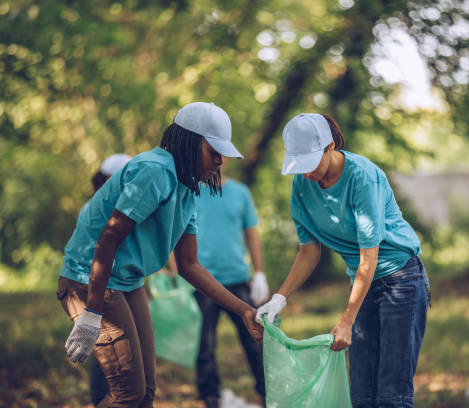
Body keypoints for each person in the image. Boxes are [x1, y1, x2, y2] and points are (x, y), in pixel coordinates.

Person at [56, 102, 263, 407]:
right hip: (88, 279)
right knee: (129, 394)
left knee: (146, 393)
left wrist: (244, 309)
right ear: (191, 142)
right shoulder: (154, 171)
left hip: (128, 282)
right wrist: (92, 314)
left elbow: (190, 266)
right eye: (214, 152)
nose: (220, 162)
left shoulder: (188, 188)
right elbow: (109, 236)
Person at [256, 113, 430, 408]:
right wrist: (278, 298)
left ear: (330, 146)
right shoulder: (301, 186)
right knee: (361, 395)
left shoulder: (362, 177)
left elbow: (368, 256)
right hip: (363, 283)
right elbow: (309, 251)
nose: (306, 172)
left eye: (311, 161)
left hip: (401, 279)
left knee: (391, 394)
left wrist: (346, 320)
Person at [191, 158, 269, 408]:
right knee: (204, 345)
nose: (216, 161)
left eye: (220, 157)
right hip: (202, 283)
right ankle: (210, 397)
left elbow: (252, 233)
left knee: (255, 340)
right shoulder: (191, 192)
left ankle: (268, 392)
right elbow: (177, 234)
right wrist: (176, 274)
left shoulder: (240, 192)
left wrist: (259, 273)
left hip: (237, 280)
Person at [85, 153, 133, 406]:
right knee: (108, 352)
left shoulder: (111, 206)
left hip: (117, 286)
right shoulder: (102, 209)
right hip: (103, 287)